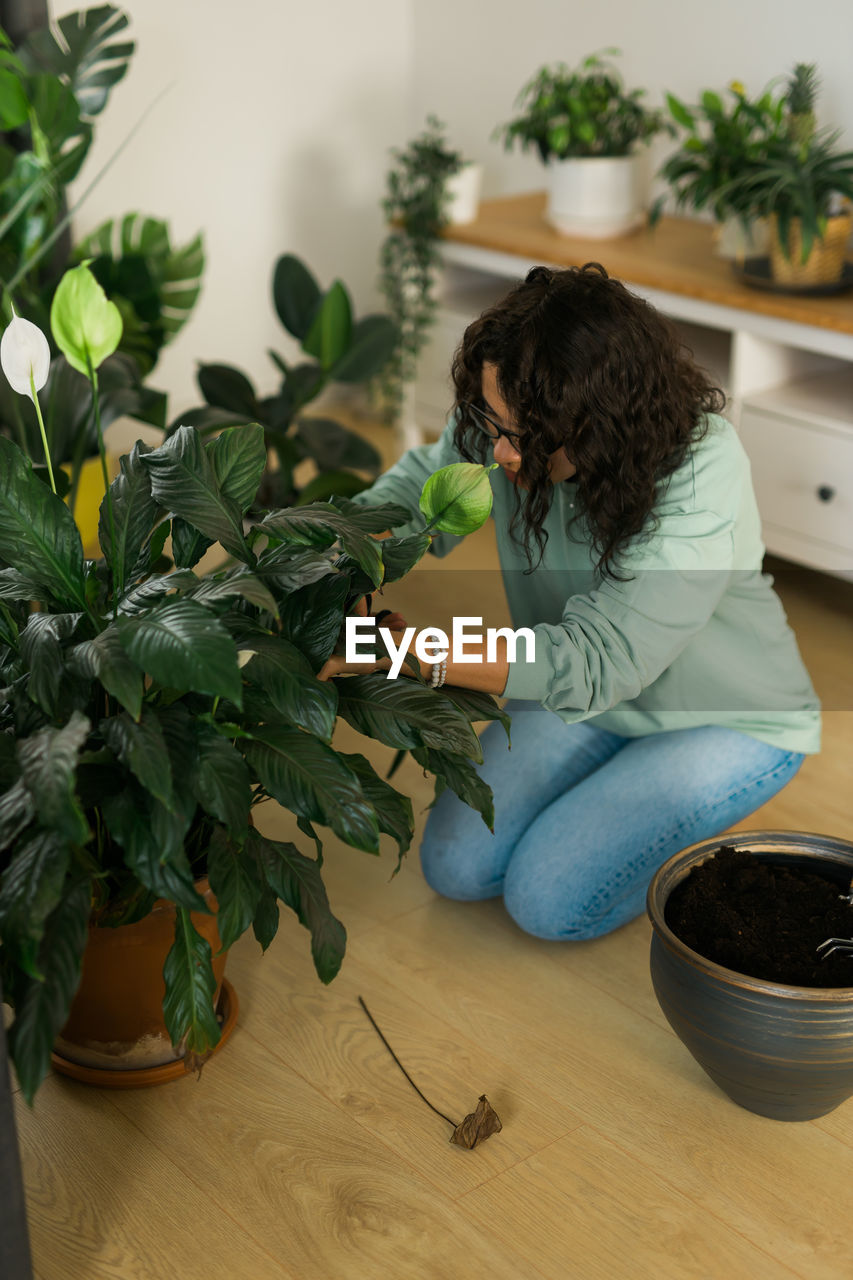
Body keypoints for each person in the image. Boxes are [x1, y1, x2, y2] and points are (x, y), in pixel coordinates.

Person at [319, 263, 821, 941]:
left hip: (717, 716)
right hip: (576, 695)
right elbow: (414, 497)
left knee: (549, 904)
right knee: (456, 868)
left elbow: (600, 660)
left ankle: (672, 801)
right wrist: (329, 555)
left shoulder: (702, 468)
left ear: (597, 421)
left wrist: (404, 654)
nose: (496, 451)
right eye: (487, 421)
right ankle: (614, 790)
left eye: (520, 436)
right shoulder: (507, 425)